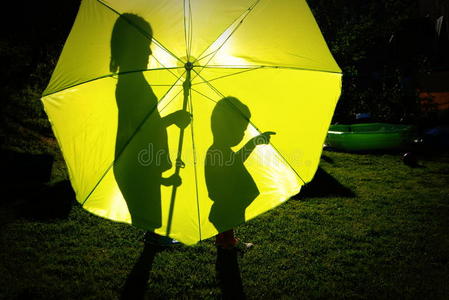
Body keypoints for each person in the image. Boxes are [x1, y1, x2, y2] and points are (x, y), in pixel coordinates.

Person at [110, 14, 190, 245]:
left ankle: (154, 237)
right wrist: (174, 117)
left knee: (151, 216)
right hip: (138, 164)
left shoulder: (132, 81)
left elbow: (146, 124)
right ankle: (155, 239)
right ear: (132, 46)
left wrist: (162, 179)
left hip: (142, 164)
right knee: (150, 216)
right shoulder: (130, 84)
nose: (149, 53)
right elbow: (141, 128)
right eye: (145, 46)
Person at [205, 96, 275, 249]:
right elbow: (222, 174)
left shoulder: (220, 150)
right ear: (224, 127)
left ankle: (224, 239)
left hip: (229, 199)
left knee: (227, 217)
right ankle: (228, 241)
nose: (243, 134)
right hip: (227, 199)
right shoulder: (218, 152)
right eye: (241, 129)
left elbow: (237, 160)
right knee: (227, 217)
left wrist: (253, 142)